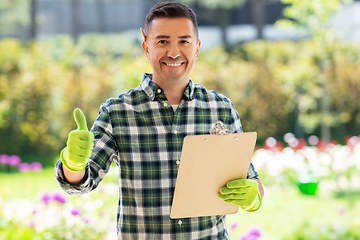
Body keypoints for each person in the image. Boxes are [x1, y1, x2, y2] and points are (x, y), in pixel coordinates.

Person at [55, 2, 264, 239]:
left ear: (197, 48)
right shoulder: (117, 112)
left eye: (184, 41)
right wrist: (73, 163)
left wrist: (253, 197)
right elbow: (79, 183)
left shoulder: (221, 108)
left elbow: (250, 179)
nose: (174, 52)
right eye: (162, 41)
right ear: (146, 46)